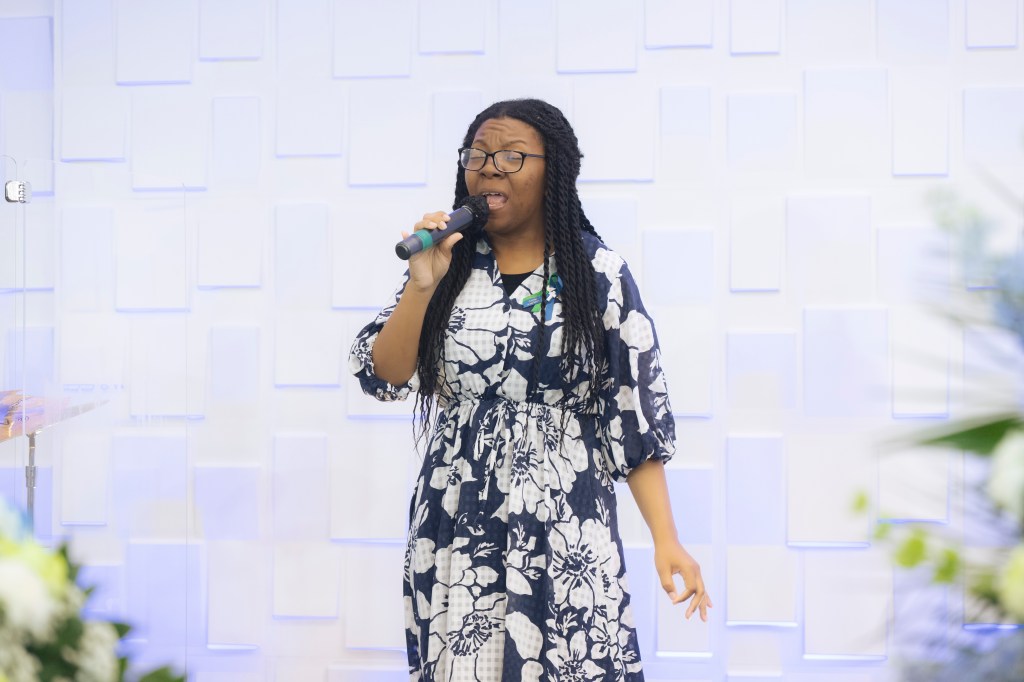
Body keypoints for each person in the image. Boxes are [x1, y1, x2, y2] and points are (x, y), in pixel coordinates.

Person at [349, 98, 711, 681]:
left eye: (512, 156)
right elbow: (386, 374)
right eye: (478, 155)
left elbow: (633, 417)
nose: (489, 167)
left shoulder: (597, 273)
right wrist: (421, 285)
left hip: (566, 522)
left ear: (554, 172)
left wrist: (667, 540)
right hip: (458, 522)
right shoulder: (445, 266)